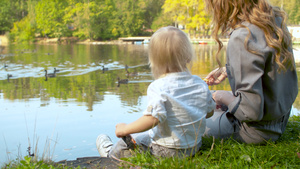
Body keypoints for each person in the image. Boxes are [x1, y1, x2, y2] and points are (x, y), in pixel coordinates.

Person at [96, 26, 215, 159]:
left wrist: (125, 128)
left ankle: (110, 155)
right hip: (193, 148)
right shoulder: (200, 84)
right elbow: (209, 113)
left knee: (132, 140)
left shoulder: (158, 87)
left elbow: (152, 118)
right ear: (188, 56)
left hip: (165, 151)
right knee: (143, 137)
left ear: (155, 61)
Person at [203, 0, 298, 144]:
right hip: (280, 121)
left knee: (188, 122)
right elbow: (268, 69)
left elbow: (250, 112)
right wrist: (228, 70)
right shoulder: (273, 19)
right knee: (206, 99)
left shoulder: (243, 36)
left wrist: (223, 96)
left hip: (254, 131)